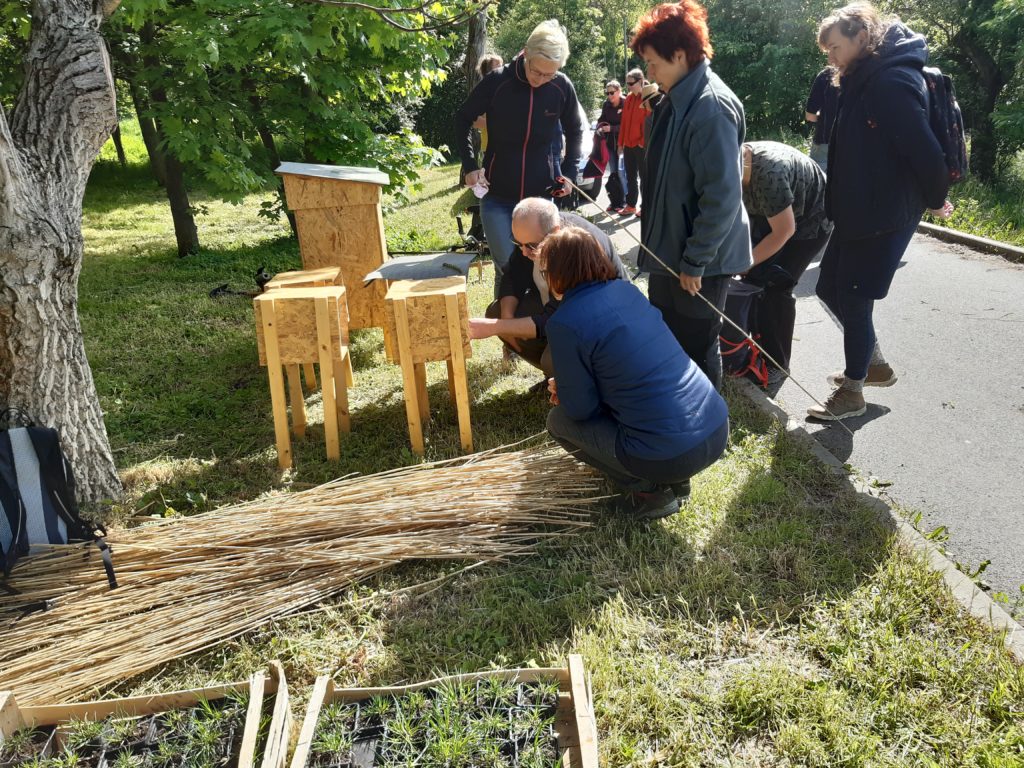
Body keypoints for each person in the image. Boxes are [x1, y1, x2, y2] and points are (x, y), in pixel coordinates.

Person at [809, 2, 953, 420]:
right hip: (859, 208)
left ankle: (853, 392)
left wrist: (934, 196)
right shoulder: (862, 78)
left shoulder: (888, 82)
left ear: (860, 37)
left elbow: (924, 150)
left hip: (883, 212)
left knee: (853, 298)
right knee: (827, 288)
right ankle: (872, 364)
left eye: (834, 47)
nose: (830, 57)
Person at [542, 226, 730, 520]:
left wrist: (566, 389)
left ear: (555, 274)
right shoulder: (627, 290)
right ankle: (676, 482)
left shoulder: (564, 322)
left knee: (558, 421)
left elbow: (580, 410)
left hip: (670, 454)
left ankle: (651, 492)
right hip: (717, 428)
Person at [632, 0, 753, 391]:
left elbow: (721, 198)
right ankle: (677, 420)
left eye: (653, 63)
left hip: (698, 263)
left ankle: (705, 433)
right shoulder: (677, 98)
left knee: (697, 348)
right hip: (669, 255)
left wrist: (695, 261)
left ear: (680, 55)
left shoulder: (710, 108)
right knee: (668, 342)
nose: (649, 72)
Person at [454, 20, 583, 299]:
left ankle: (542, 334)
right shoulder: (498, 81)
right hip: (498, 196)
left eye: (550, 74)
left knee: (545, 266)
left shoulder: (561, 87)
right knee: (507, 269)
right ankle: (508, 337)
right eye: (537, 71)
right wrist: (471, 165)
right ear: (525, 52)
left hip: (541, 199)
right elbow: (462, 120)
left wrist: (570, 172)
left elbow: (575, 129)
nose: (541, 79)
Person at [468, 198, 627, 379]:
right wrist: (506, 319)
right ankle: (558, 378)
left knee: (552, 360)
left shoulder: (577, 250)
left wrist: (497, 327)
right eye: (517, 243)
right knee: (497, 312)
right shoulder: (534, 236)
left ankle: (573, 379)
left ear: (555, 232)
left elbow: (557, 317)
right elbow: (512, 275)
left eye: (531, 246)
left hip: (601, 328)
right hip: (557, 313)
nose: (524, 252)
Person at [741, 141, 833, 380]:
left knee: (776, 285)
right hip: (772, 213)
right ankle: (753, 347)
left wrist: (744, 261)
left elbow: (784, 230)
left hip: (810, 221)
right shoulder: (729, 165)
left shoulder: (769, 175)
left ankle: (776, 364)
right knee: (752, 279)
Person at [618, 68, 647, 217]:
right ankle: (631, 205)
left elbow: (651, 123)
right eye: (627, 83)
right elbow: (624, 123)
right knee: (630, 177)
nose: (628, 86)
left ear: (641, 81)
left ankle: (646, 207)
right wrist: (620, 143)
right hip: (628, 144)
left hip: (641, 146)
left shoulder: (648, 97)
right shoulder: (628, 98)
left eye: (631, 83)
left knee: (644, 177)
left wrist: (643, 142)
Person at [597, 80, 626, 213]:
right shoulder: (606, 105)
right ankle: (615, 201)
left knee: (622, 174)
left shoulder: (626, 103)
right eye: (607, 93)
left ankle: (625, 201)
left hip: (623, 144)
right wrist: (600, 127)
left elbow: (627, 125)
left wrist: (612, 128)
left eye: (612, 93)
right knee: (613, 173)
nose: (609, 96)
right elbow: (601, 119)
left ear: (619, 91)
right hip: (609, 144)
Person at [805, 65, 840, 172]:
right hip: (855, 144)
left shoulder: (826, 75)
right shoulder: (867, 74)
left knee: (818, 183)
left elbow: (810, 116)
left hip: (825, 142)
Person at [472, 54, 505, 155]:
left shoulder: (507, 90)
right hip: (491, 147)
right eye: (499, 66)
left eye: (502, 65)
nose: (503, 69)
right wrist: (498, 123)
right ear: (488, 71)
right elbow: (474, 121)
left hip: (509, 146)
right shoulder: (482, 92)